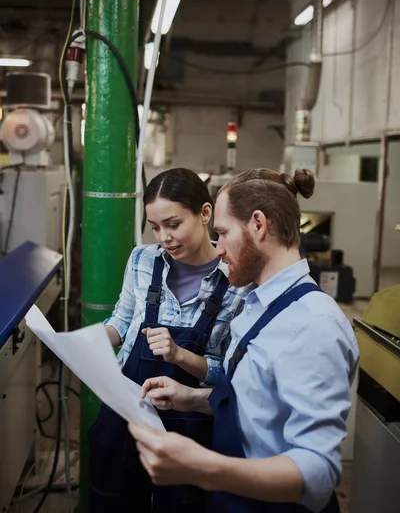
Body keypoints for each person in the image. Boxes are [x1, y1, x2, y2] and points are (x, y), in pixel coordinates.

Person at [130, 168, 360, 513]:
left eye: (222, 233)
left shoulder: (313, 326)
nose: (218, 249)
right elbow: (258, 405)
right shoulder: (255, 304)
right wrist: (191, 398)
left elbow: (319, 472)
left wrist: (204, 468)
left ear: (258, 224)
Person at [88, 168, 251, 513]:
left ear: (205, 214)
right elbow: (121, 321)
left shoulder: (237, 280)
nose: (164, 237)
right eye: (156, 227)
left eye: (173, 224)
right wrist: (86, 343)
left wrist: (179, 355)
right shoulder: (142, 260)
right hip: (125, 410)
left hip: (190, 426)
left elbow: (231, 378)